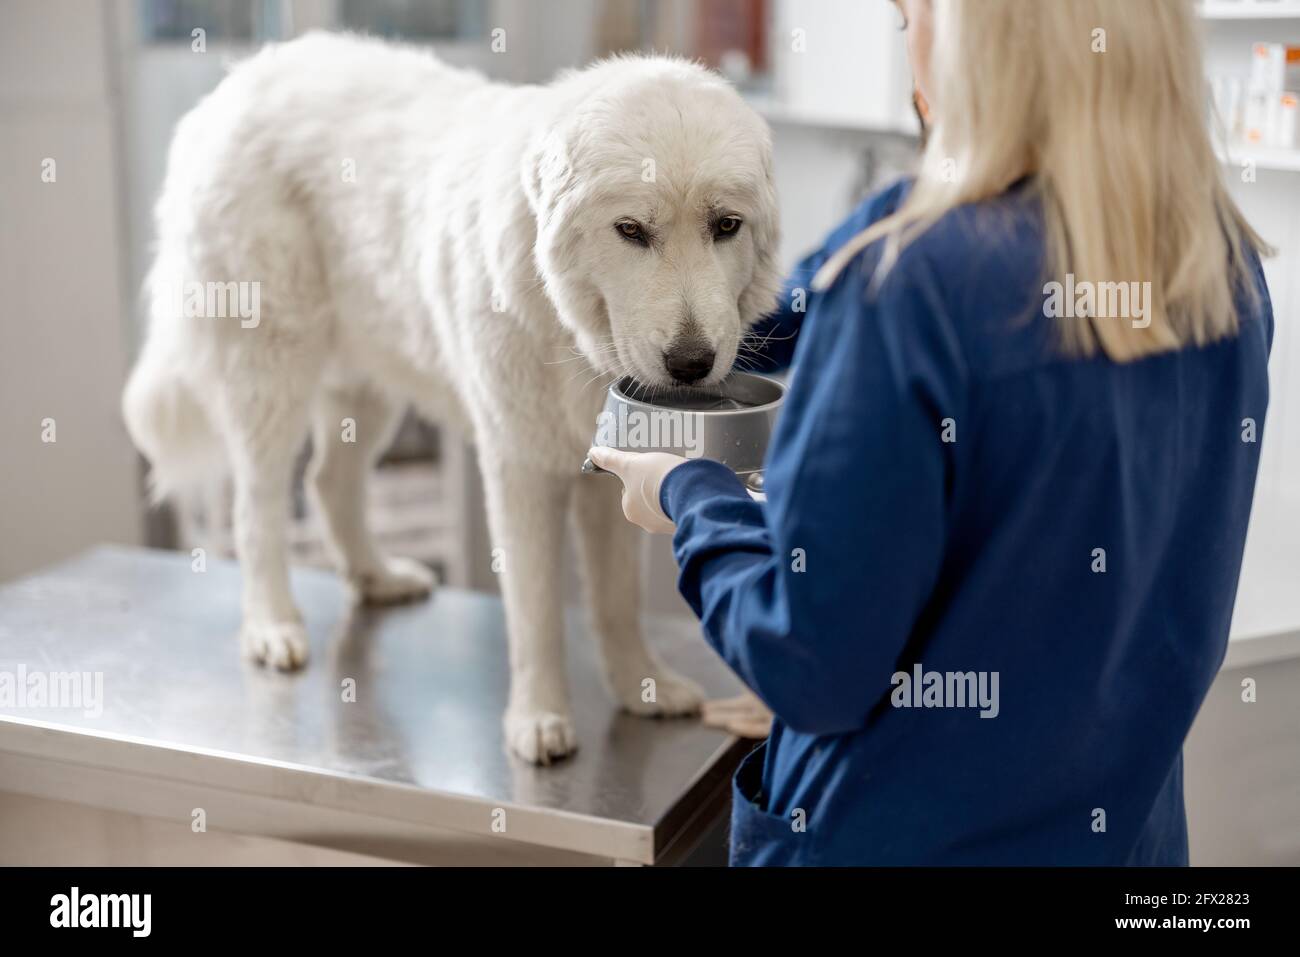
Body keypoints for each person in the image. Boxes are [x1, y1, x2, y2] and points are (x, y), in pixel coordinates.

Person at [588, 0, 1274, 865]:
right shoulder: (1221, 265)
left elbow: (807, 661)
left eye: (910, 13)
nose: (906, 37)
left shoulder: (910, 282)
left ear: (970, 29)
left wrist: (690, 495)